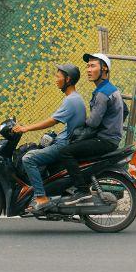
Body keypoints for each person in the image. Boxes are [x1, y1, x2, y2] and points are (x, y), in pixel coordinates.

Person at [13, 63, 87, 214]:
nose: (56, 79)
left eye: (58, 76)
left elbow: (52, 120)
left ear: (68, 79)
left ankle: (41, 198)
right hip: (66, 141)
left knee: (28, 158)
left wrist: (26, 128)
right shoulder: (75, 98)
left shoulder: (71, 100)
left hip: (64, 144)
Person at [56, 52, 125, 205]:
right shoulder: (111, 89)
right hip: (110, 138)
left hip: (104, 140)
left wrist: (81, 122)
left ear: (104, 69)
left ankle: (81, 190)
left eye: (93, 66)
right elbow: (124, 110)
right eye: (87, 66)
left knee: (65, 152)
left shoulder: (102, 93)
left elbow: (93, 122)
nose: (88, 70)